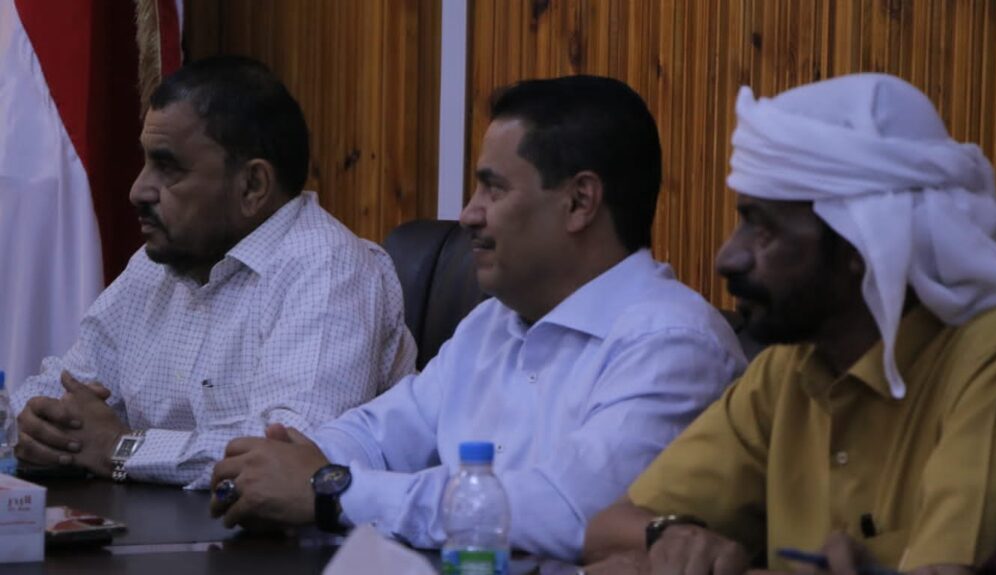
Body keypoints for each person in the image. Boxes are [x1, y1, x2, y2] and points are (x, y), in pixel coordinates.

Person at [208, 75, 747, 562]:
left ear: (580, 202)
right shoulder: (493, 323)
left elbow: (572, 514)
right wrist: (289, 462)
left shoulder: (673, 344)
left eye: (494, 188)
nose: (469, 214)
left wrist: (332, 490)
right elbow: (378, 433)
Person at [582, 74, 996, 574]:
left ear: (861, 246)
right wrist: (671, 536)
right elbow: (605, 534)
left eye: (763, 228)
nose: (728, 257)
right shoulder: (788, 368)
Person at [12, 56, 416, 489]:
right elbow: (58, 388)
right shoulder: (157, 264)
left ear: (252, 186)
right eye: (145, 162)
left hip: (290, 534)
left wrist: (122, 447)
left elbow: (292, 456)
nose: (138, 190)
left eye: (168, 167)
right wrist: (41, 424)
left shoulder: (327, 268)